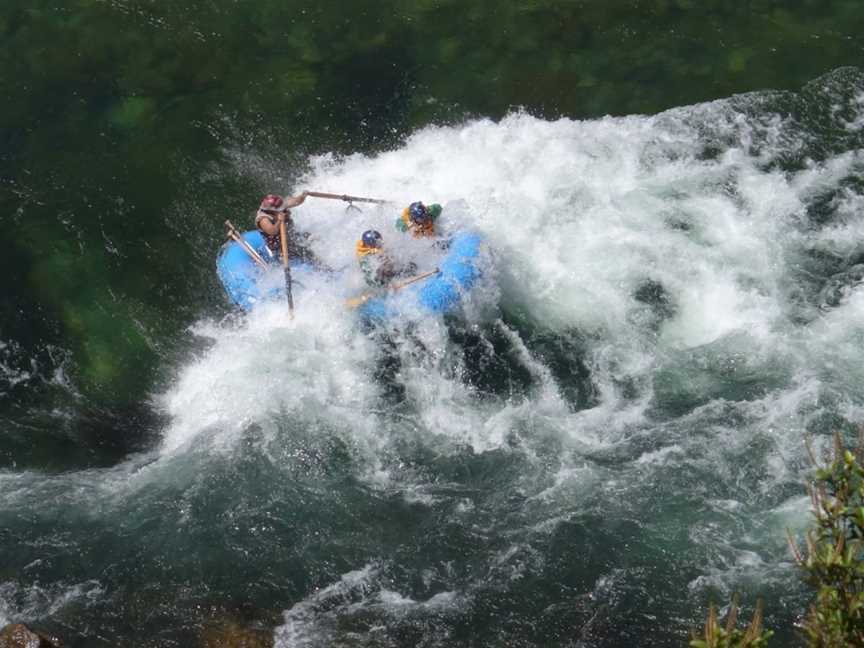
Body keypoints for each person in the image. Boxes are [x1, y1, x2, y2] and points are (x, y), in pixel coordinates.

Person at [255, 192, 318, 264]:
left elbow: (296, 201)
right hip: (280, 246)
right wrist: (279, 221)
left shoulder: (279, 205)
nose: (283, 209)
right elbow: (272, 231)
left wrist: (303, 196)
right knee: (308, 253)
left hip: (292, 235)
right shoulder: (263, 219)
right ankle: (323, 268)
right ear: (271, 211)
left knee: (313, 237)